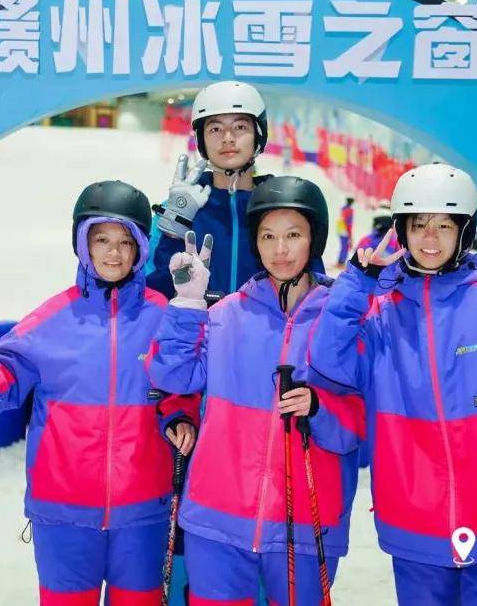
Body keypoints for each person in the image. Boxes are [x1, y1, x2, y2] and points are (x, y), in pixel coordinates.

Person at [310, 163, 477, 605]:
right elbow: (329, 363)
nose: (430, 238)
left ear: (464, 231)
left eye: (444, 225)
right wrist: (358, 284)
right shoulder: (380, 312)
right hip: (415, 522)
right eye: (418, 225)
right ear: (401, 231)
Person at [0, 180, 200, 605]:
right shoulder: (55, 315)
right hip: (63, 507)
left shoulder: (163, 315)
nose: (114, 253)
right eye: (102, 240)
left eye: (125, 242)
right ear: (83, 244)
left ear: (141, 248)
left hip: (142, 507)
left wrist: (180, 415)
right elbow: (11, 363)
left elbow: (180, 383)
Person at [151, 176, 365, 604]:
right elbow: (172, 377)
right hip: (217, 520)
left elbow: (355, 428)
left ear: (315, 238)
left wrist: (319, 408)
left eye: (293, 235)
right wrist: (189, 304)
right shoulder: (226, 314)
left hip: (303, 524)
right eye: (268, 236)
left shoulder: (342, 320)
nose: (280, 249)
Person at [146, 80, 271, 300]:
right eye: (215, 129)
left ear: (258, 134)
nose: (228, 138)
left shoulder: (278, 205)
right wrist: (171, 233)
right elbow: (153, 293)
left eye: (240, 127)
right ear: (201, 139)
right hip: (194, 322)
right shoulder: (180, 207)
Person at [335, 197, 355, 268]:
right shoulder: (350, 210)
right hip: (345, 231)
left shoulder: (343, 208)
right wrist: (350, 235)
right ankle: (341, 262)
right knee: (345, 247)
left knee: (343, 246)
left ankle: (340, 261)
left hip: (339, 229)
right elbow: (348, 223)